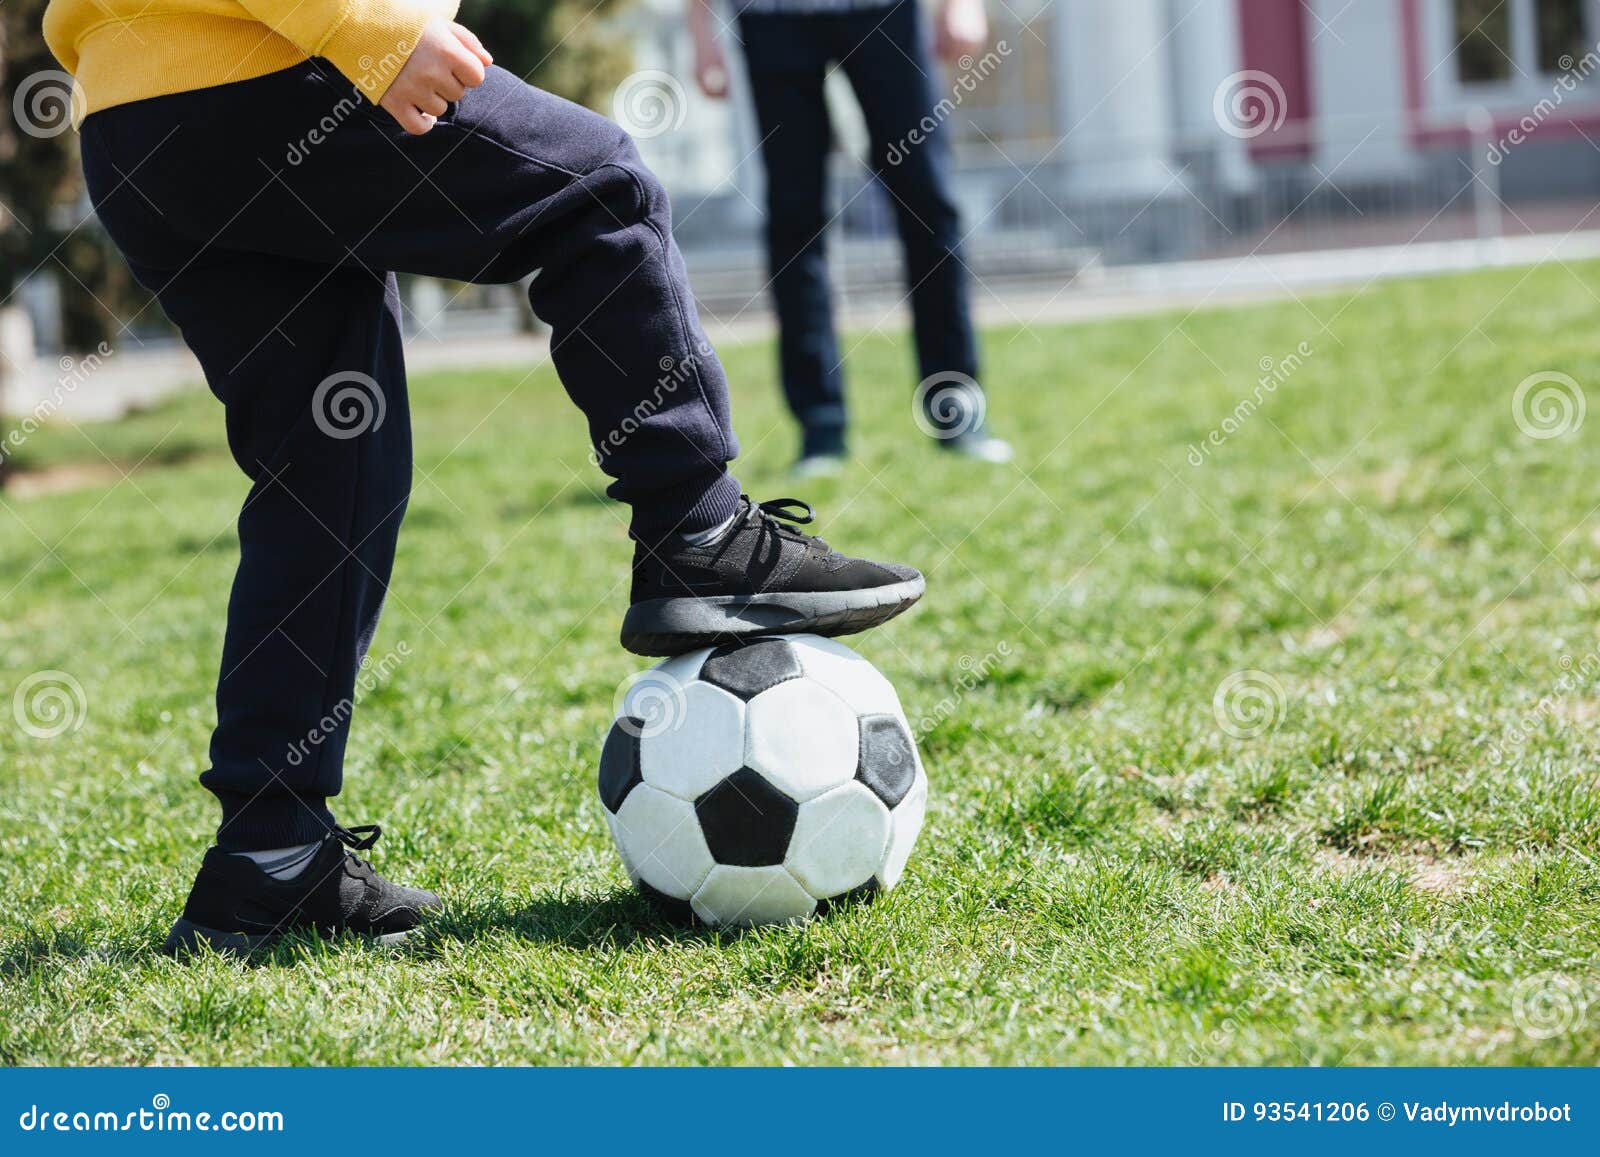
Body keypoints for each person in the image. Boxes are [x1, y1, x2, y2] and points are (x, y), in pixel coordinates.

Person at [42, 0, 926, 954]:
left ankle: (270, 852)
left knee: (331, 467)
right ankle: (699, 531)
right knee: (597, 191)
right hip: (273, 69)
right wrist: (367, 30)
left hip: (140, 118)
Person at [689, 0, 1012, 476]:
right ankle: (820, 428)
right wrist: (700, 30)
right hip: (772, 18)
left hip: (883, 11)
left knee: (928, 202)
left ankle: (956, 409)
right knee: (794, 218)